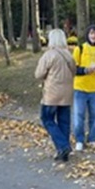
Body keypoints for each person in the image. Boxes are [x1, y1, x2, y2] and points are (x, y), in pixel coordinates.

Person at [35, 29, 76, 162]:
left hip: (51, 94)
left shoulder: (48, 55)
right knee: (64, 121)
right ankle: (63, 153)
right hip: (67, 94)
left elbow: (38, 74)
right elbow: (74, 72)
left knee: (47, 119)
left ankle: (63, 146)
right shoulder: (69, 55)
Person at [72, 25, 95, 151]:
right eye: (91, 33)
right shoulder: (79, 49)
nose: (93, 36)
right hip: (80, 88)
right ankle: (79, 140)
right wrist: (85, 70)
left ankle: (92, 138)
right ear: (87, 35)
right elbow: (73, 69)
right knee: (79, 115)